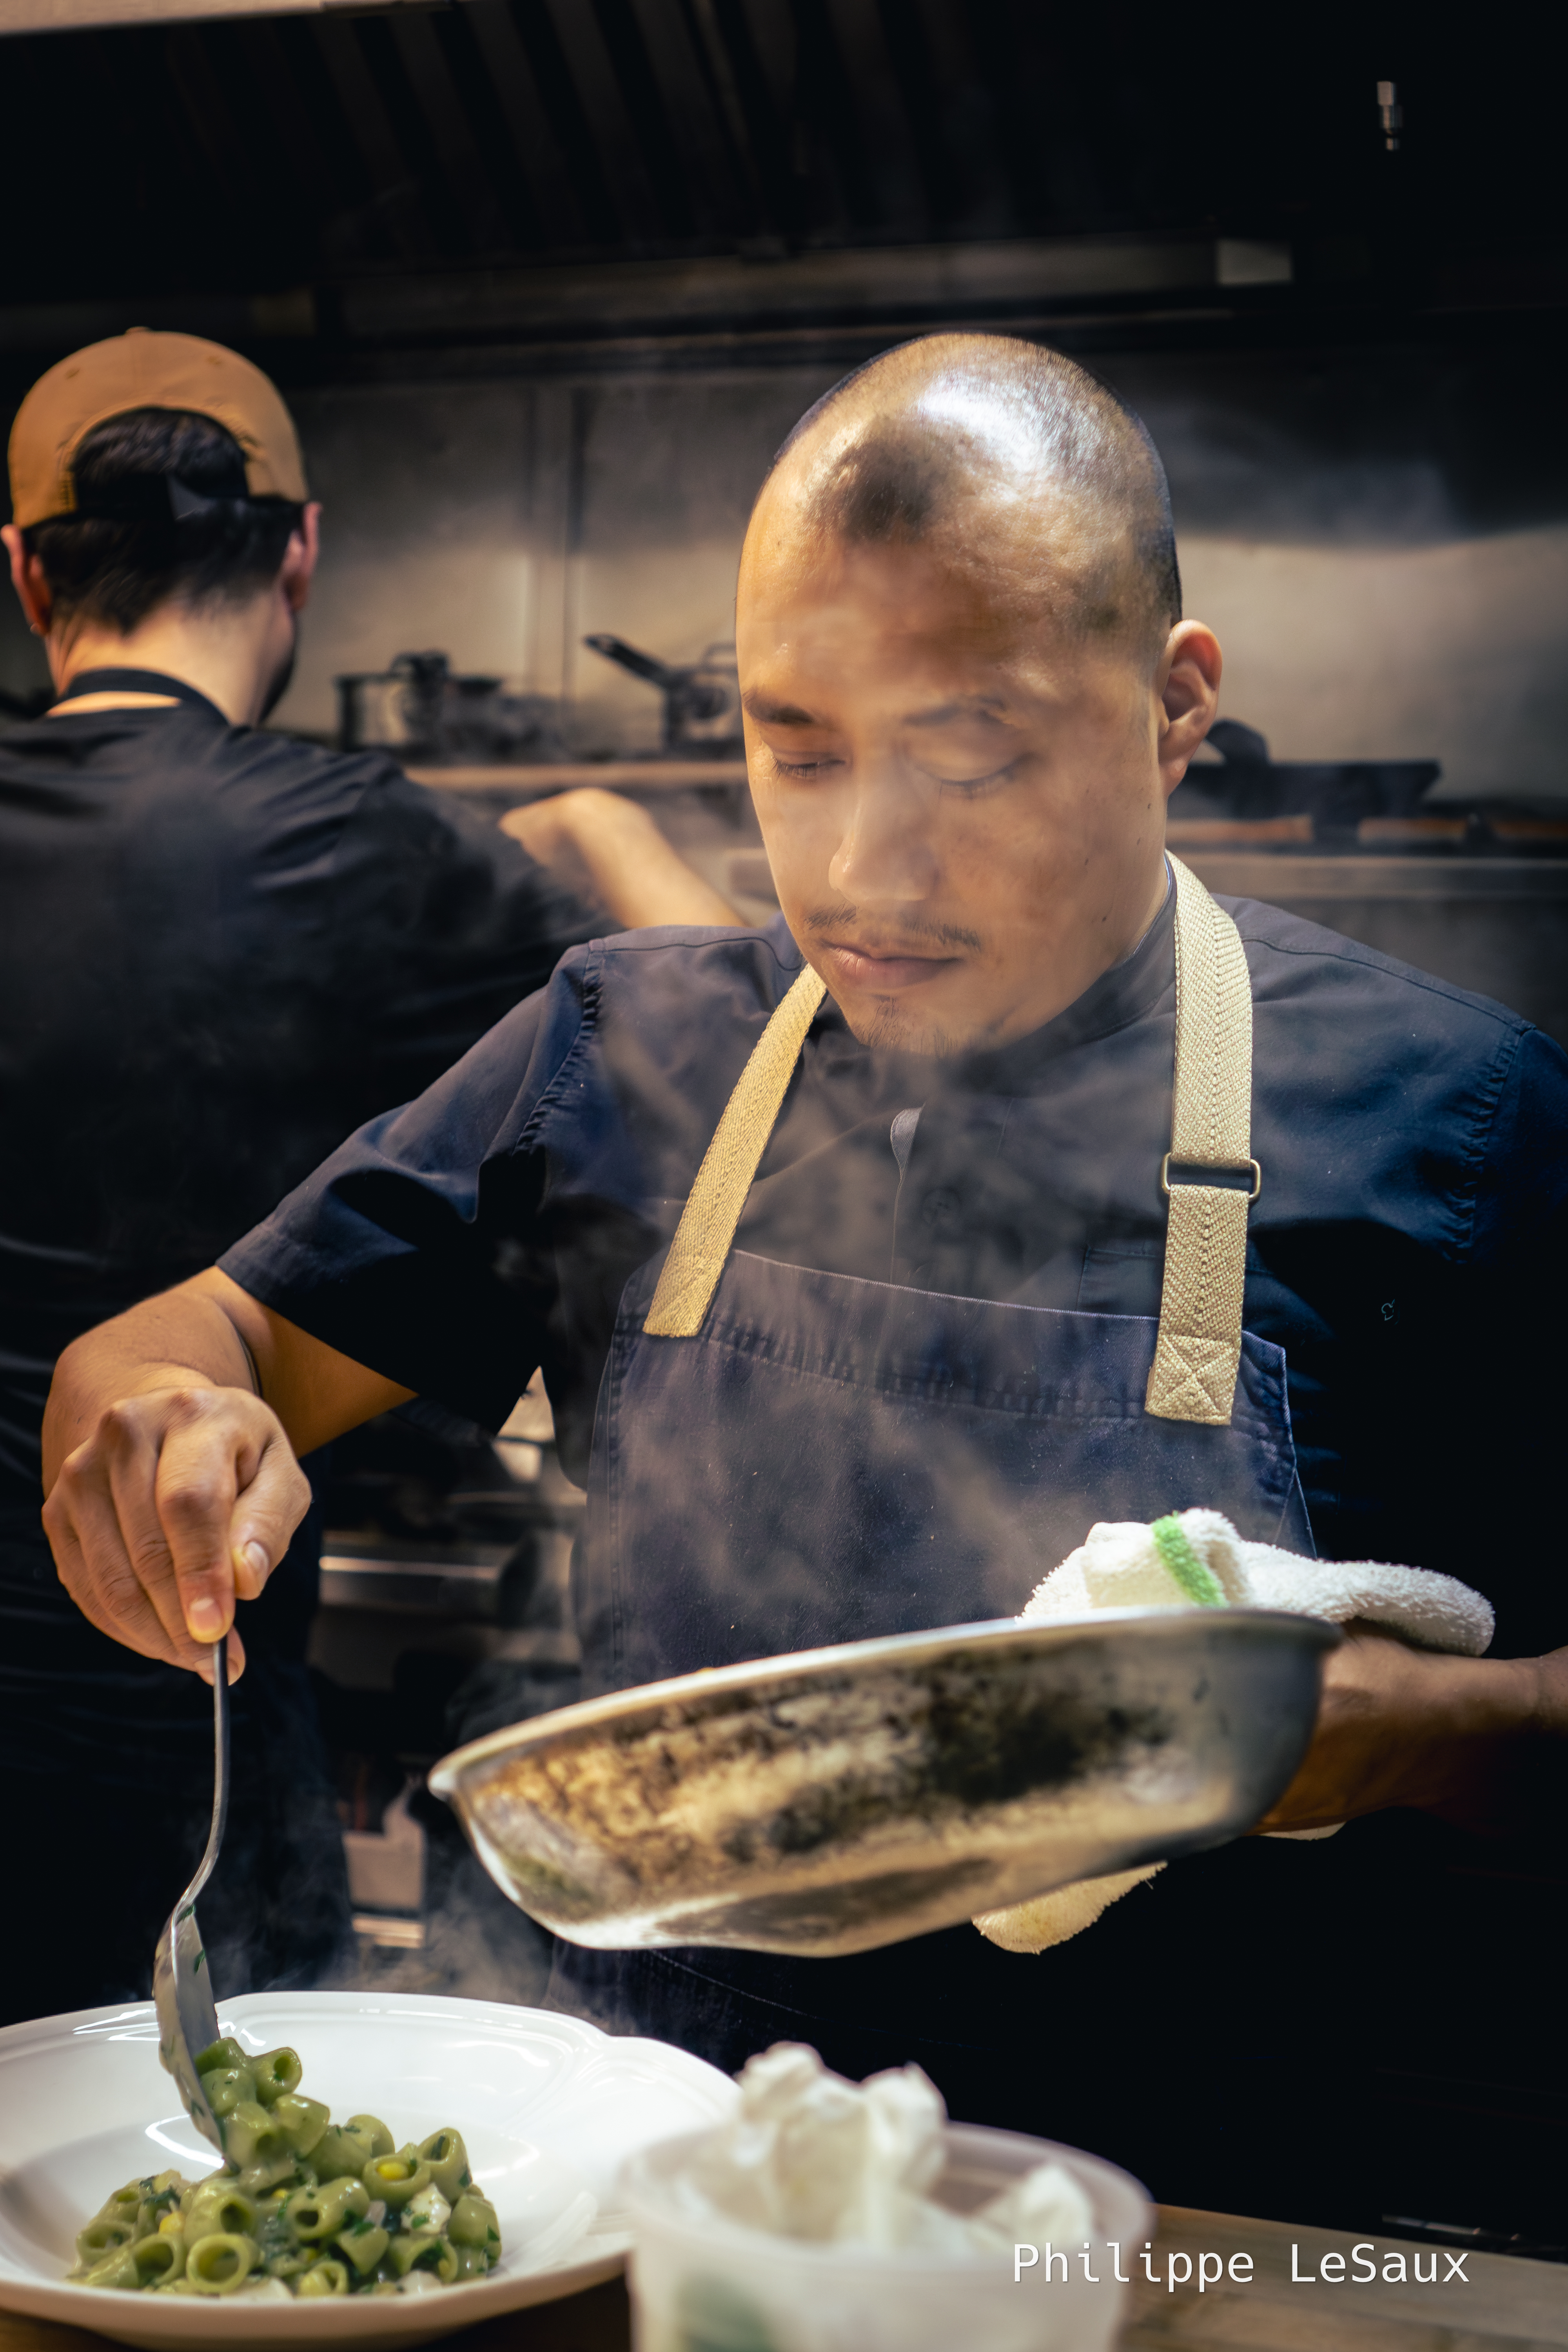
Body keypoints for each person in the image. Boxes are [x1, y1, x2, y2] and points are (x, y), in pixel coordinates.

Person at [39, 336, 1567, 2235]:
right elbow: (206, 1336)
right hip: (647, 2200)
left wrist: (1425, 1730)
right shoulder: (622, 1047)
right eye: (798, 748)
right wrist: (161, 1415)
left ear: (1174, 705)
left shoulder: (1458, 1124)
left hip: (1178, 2232)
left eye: (972, 755)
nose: (860, 869)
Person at [0, 329, 733, 2028]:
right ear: (300, 556)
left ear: (27, 573)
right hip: (181, 1692)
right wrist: (602, 820)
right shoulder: (362, 839)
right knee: (225, 2152)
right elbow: (747, 1039)